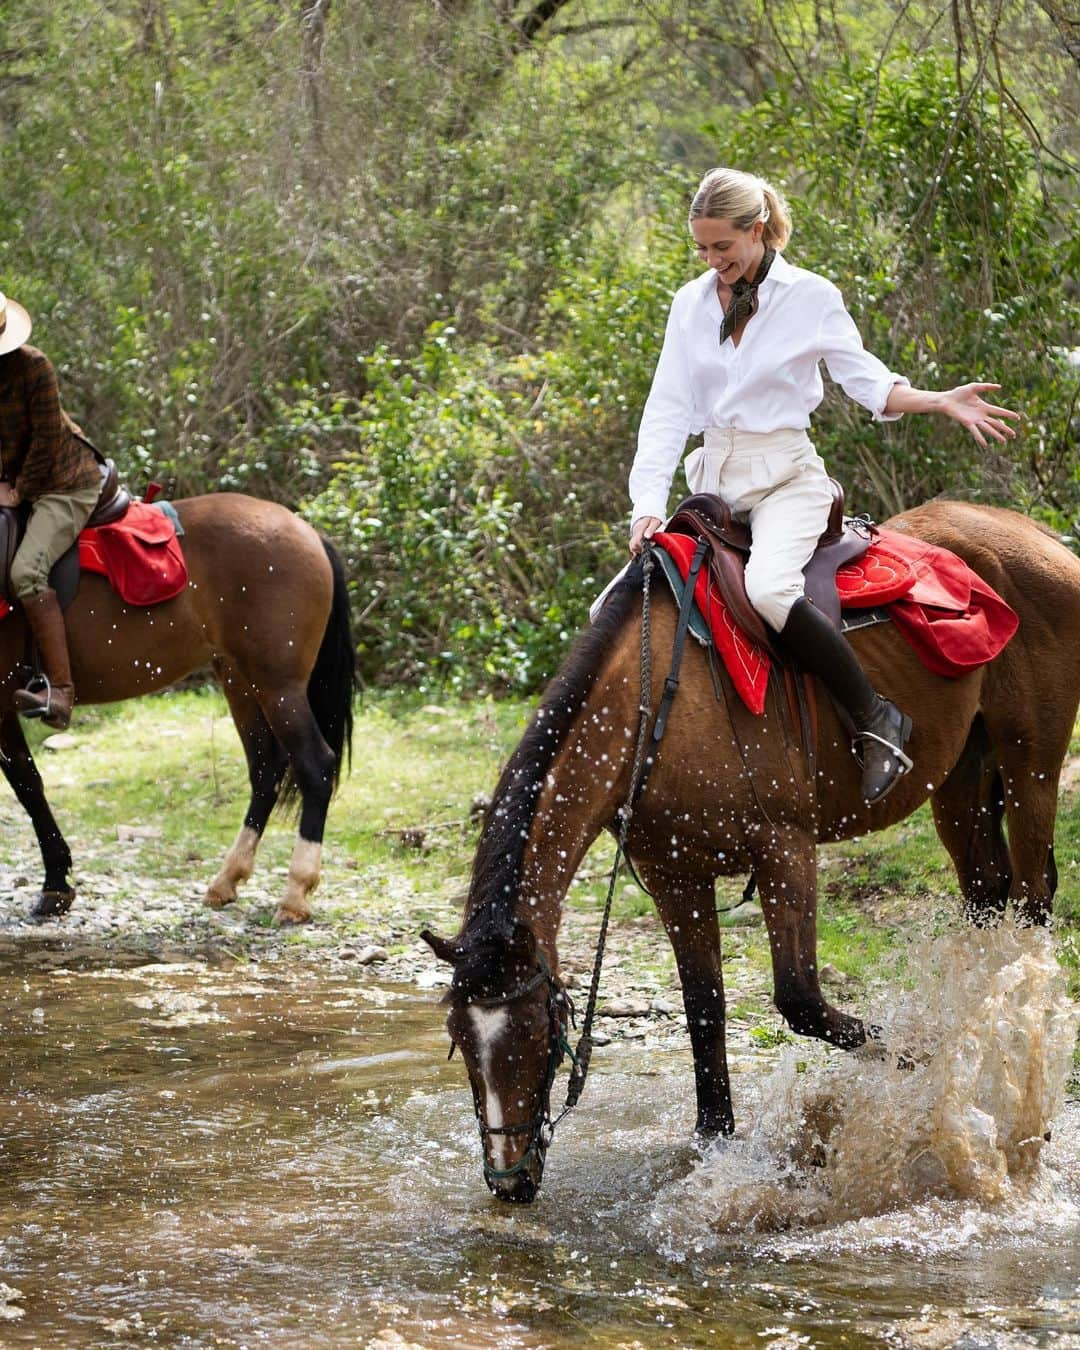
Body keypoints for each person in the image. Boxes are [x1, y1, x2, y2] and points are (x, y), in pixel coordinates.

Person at [628, 168, 1019, 803]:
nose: (711, 260)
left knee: (770, 589)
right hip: (714, 487)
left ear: (756, 231)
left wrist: (940, 401)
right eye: (701, 248)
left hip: (787, 480)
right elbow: (666, 410)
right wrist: (646, 505)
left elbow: (868, 383)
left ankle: (875, 719)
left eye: (722, 246)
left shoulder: (809, 295)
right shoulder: (688, 303)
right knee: (641, 595)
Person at [0, 293, 104, 730]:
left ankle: (60, 691)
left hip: (63, 484)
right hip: (12, 483)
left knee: (25, 572)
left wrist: (16, 491)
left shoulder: (34, 367)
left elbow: (44, 443)